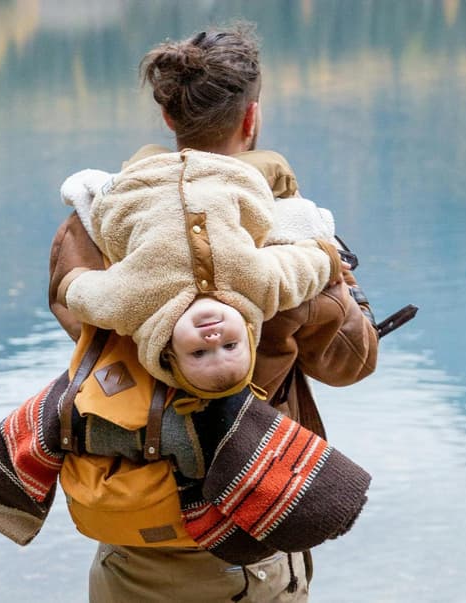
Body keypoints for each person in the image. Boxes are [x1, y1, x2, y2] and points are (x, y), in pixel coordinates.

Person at [48, 24, 379, 602]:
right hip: (243, 538)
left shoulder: (100, 218)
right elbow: (350, 363)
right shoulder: (283, 229)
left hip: (127, 532)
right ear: (251, 118)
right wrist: (339, 282)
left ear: (168, 117)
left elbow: (73, 307)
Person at [55, 149, 343, 398]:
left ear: (168, 350)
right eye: (231, 345)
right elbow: (299, 269)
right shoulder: (261, 287)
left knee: (143, 156)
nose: (214, 339)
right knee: (275, 165)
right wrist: (329, 259)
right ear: (248, 332)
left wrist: (70, 283)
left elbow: (87, 295)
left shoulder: (133, 304)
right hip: (227, 176)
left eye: (199, 353)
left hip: (140, 183)